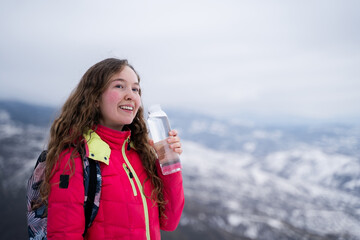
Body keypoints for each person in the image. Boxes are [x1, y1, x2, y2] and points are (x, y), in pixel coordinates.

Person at [40, 58, 185, 239]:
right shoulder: (74, 157)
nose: (131, 95)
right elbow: (64, 234)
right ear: (94, 98)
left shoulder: (141, 153)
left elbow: (169, 221)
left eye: (135, 89)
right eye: (119, 86)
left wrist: (167, 162)